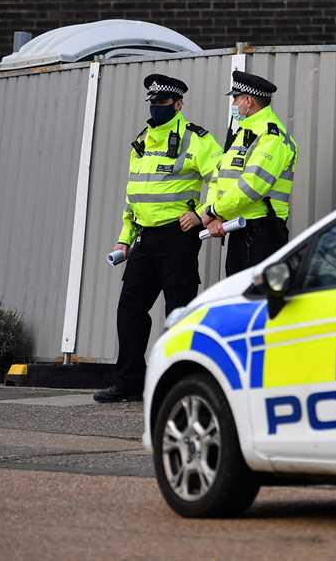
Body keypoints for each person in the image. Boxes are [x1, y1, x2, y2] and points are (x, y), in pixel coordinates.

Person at [94, 74, 221, 403]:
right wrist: (124, 239)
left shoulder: (197, 140)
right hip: (144, 240)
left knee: (178, 311)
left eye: (163, 103)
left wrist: (204, 214)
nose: (157, 108)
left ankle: (178, 385)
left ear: (178, 104)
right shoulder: (142, 140)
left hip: (177, 238)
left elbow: (222, 179)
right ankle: (129, 383)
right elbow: (134, 195)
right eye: (153, 103)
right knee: (130, 309)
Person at [198, 71, 298, 276]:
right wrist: (215, 213)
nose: (233, 103)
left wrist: (213, 212)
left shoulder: (272, 136)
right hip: (239, 228)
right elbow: (220, 176)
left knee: (257, 301)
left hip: (262, 231)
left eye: (235, 98)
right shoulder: (243, 133)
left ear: (248, 101)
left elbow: (252, 186)